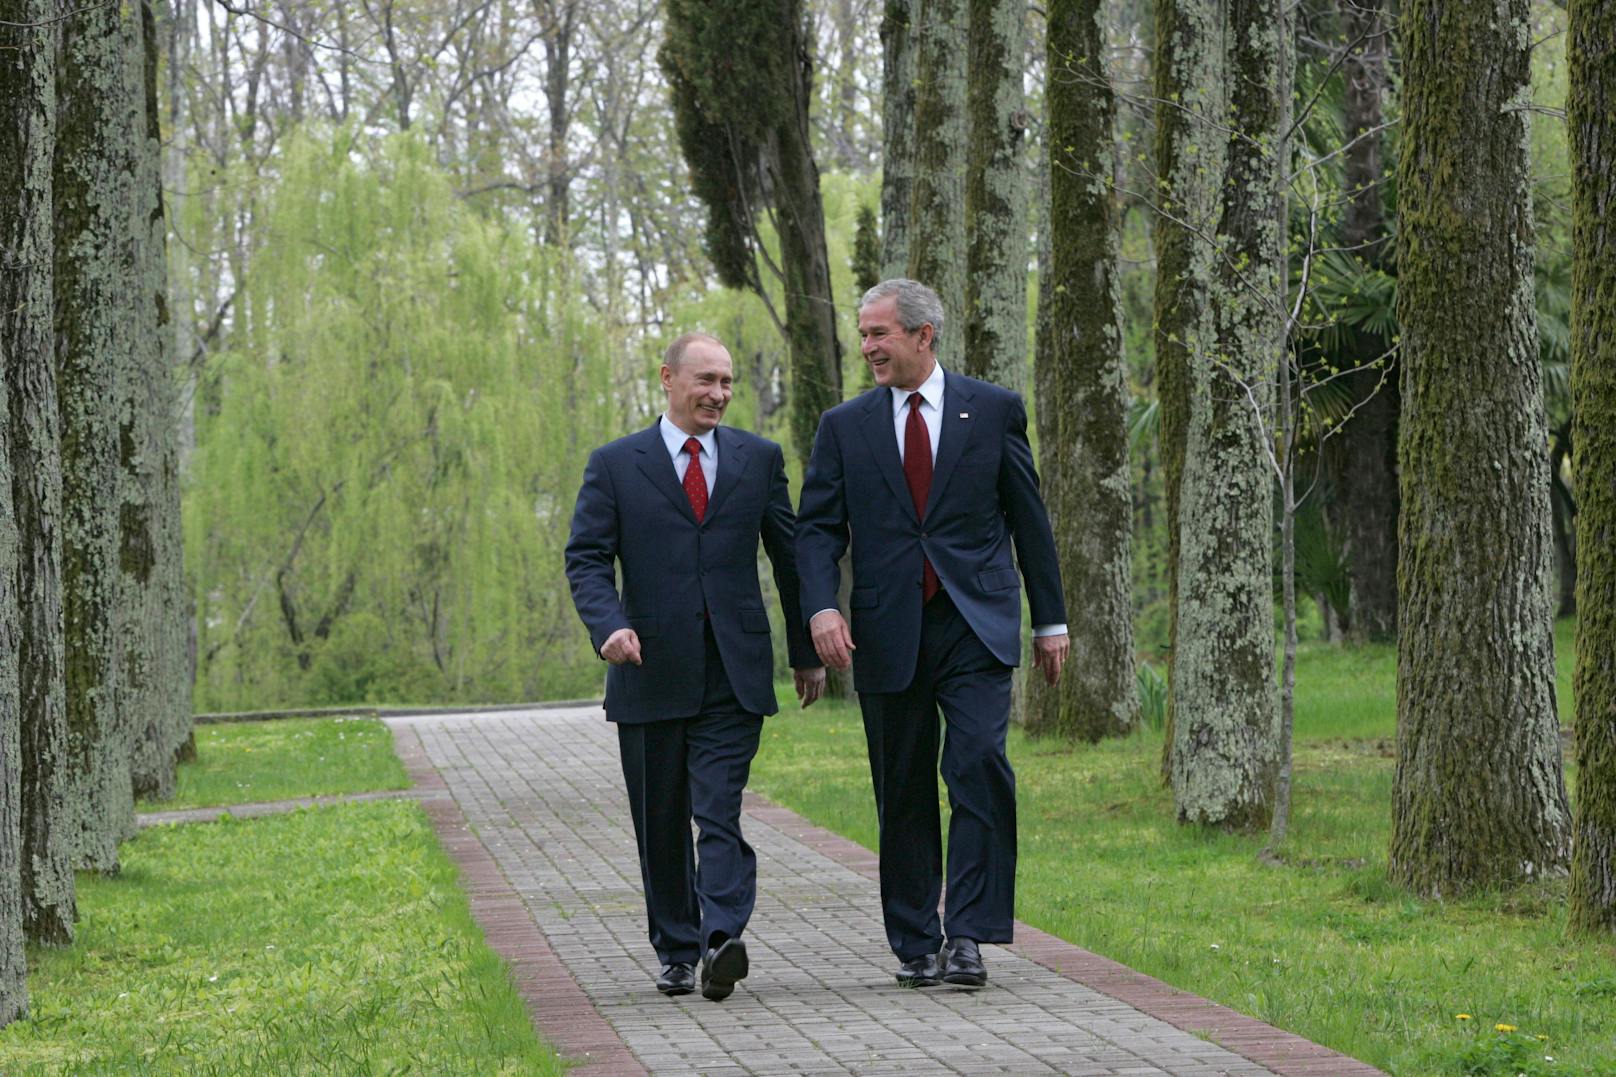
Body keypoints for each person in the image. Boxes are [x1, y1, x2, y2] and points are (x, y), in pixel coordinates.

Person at [795, 279, 1068, 989]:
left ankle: (969, 933)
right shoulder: (844, 426)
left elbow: (1029, 520)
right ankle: (915, 939)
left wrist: (1051, 619)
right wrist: (822, 607)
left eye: (879, 334)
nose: (867, 348)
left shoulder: (995, 410)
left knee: (979, 765)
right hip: (885, 630)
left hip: (975, 621)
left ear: (924, 334)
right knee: (903, 785)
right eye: (862, 335)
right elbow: (818, 528)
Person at [565, 332, 824, 1002]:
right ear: (668, 377)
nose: (718, 394)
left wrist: (804, 652)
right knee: (662, 820)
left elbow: (791, 560)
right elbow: (587, 558)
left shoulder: (758, 459)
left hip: (732, 673)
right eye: (706, 379)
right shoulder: (615, 465)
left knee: (717, 811)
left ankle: (721, 940)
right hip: (647, 670)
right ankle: (677, 950)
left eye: (727, 382)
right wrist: (608, 625)